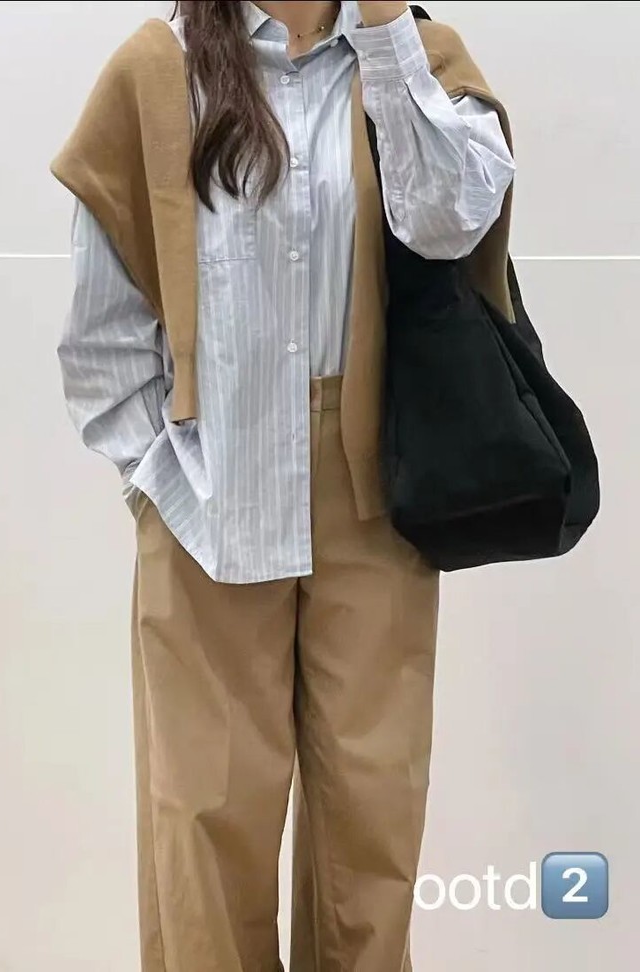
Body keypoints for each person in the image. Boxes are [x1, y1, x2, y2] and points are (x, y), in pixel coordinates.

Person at [52, 1, 515, 969]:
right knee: (205, 820)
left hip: (373, 488)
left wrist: (386, 35)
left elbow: (447, 222)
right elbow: (101, 337)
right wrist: (161, 485)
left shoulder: (422, 56)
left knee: (373, 824)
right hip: (207, 488)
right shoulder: (157, 69)